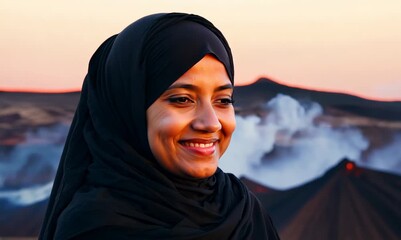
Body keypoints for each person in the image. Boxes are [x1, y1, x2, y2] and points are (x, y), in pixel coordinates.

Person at [39, 12, 280, 239]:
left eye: (223, 101)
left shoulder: (244, 213)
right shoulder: (94, 228)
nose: (211, 123)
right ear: (128, 110)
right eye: (182, 99)